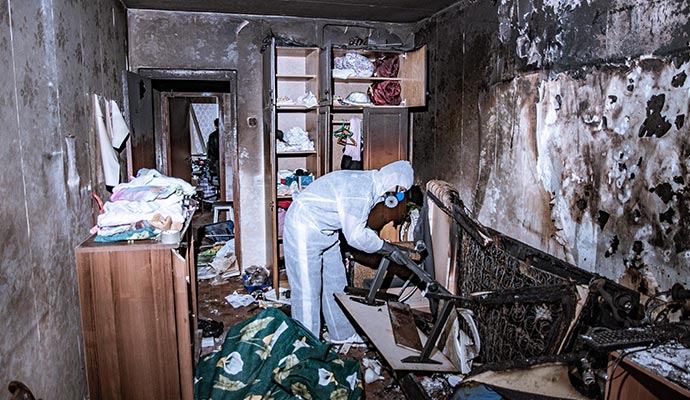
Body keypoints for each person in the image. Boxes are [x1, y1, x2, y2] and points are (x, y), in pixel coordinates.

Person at [283, 160, 414, 343]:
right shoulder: (361, 190)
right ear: (393, 178)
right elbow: (355, 236)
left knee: (335, 283)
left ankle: (341, 333)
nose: (399, 196)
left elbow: (355, 221)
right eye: (400, 190)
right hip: (304, 227)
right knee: (307, 290)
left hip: (327, 231)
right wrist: (385, 248)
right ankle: (307, 343)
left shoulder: (373, 184)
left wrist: (379, 242)